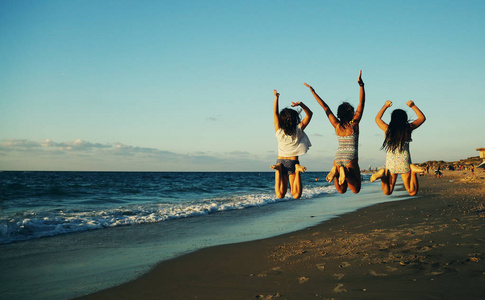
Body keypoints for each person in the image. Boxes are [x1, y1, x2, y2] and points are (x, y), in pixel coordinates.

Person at [304, 70, 365, 194]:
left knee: (341, 190)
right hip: (350, 157)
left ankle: (337, 170)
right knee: (356, 189)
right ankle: (344, 173)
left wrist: (313, 92)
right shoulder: (354, 124)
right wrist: (361, 86)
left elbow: (325, 107)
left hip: (337, 158)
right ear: (352, 113)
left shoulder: (336, 125)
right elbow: (361, 103)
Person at [371, 100, 426, 196]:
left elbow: (377, 119)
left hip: (391, 164)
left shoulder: (387, 129)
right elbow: (422, 118)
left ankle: (383, 175)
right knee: (412, 191)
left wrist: (385, 106)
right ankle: (413, 171)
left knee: (387, 192)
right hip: (404, 162)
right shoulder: (408, 129)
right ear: (405, 118)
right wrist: (413, 106)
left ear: (392, 119)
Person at [271, 89, 313, 199]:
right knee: (296, 195)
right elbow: (309, 114)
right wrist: (301, 104)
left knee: (280, 195)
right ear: (294, 119)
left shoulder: (278, 131)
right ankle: (298, 170)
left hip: (281, 161)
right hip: (293, 163)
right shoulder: (298, 130)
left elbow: (275, 113)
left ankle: (278, 170)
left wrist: (276, 97)